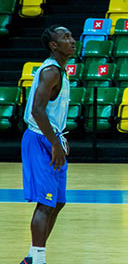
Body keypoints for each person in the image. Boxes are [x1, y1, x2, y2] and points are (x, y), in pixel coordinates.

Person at [20, 25, 76, 264]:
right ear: (54, 45)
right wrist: (54, 142)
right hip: (40, 139)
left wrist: (59, 138)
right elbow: (37, 110)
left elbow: (49, 113)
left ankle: (33, 257)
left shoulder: (60, 71)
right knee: (46, 203)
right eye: (66, 37)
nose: (72, 40)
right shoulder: (51, 72)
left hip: (51, 137)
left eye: (71, 36)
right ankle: (38, 260)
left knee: (58, 201)